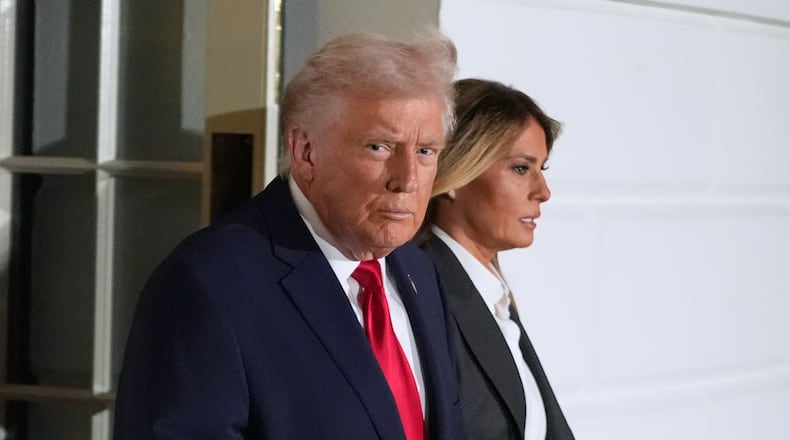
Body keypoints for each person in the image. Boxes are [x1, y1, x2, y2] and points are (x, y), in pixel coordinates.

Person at [113, 31, 461, 439]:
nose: (407, 180)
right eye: (379, 147)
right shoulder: (210, 283)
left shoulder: (419, 270)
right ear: (305, 151)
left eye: (425, 151)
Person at [418, 78, 575, 440]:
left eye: (542, 169)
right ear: (455, 173)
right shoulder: (423, 295)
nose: (543, 192)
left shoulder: (489, 293)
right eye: (521, 168)